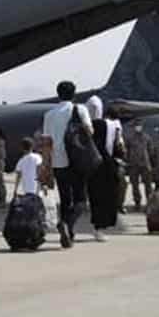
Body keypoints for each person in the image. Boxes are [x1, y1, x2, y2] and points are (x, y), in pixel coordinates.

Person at [41, 80, 93, 248]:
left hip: (58, 161)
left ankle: (68, 235)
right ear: (74, 94)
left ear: (58, 94)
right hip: (77, 159)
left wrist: (46, 165)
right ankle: (67, 223)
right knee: (81, 200)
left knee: (65, 199)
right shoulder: (80, 109)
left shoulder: (49, 115)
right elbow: (90, 131)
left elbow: (46, 143)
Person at [87, 101, 125, 241]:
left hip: (90, 166)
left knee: (94, 197)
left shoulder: (86, 126)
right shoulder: (113, 125)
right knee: (107, 196)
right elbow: (119, 146)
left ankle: (95, 226)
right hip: (107, 165)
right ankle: (100, 227)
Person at [123, 120, 155, 210]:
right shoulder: (130, 138)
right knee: (134, 184)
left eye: (139, 125)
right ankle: (137, 202)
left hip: (145, 163)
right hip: (133, 164)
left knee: (148, 185)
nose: (138, 127)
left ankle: (149, 203)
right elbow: (126, 151)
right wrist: (127, 161)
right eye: (136, 125)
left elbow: (151, 151)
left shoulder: (147, 137)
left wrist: (152, 164)